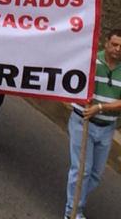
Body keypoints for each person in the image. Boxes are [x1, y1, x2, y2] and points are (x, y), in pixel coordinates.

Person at [63, 29, 121, 219]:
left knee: (95, 174)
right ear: (106, 42)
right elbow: (73, 85)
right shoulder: (90, 62)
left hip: (107, 128)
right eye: (114, 44)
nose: (118, 49)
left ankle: (76, 201)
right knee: (82, 171)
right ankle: (72, 211)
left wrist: (101, 107)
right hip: (84, 121)